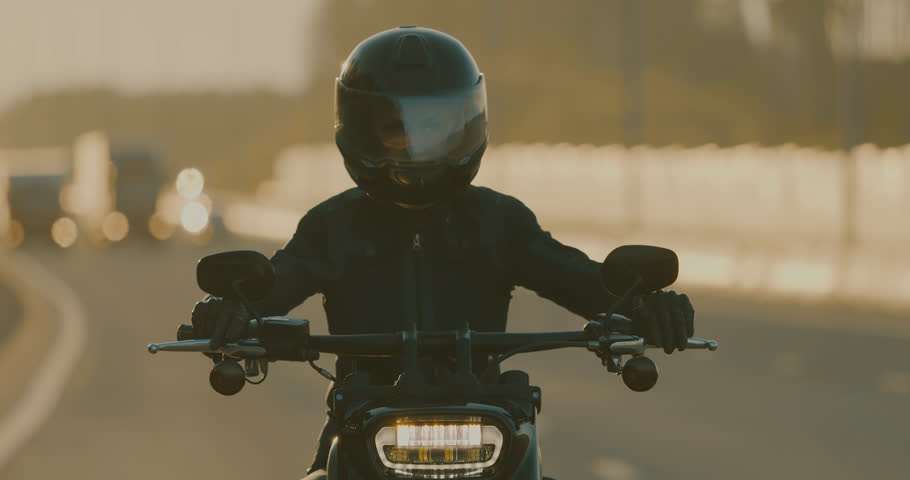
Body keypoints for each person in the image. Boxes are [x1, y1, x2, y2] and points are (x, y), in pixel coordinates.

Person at [191, 26, 695, 480]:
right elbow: (278, 282)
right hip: (360, 417)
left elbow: (581, 280)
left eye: (435, 125)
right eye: (398, 127)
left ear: (466, 122)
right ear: (361, 129)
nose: (418, 143)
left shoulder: (500, 220)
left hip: (491, 418)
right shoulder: (331, 225)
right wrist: (235, 311)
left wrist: (642, 305)